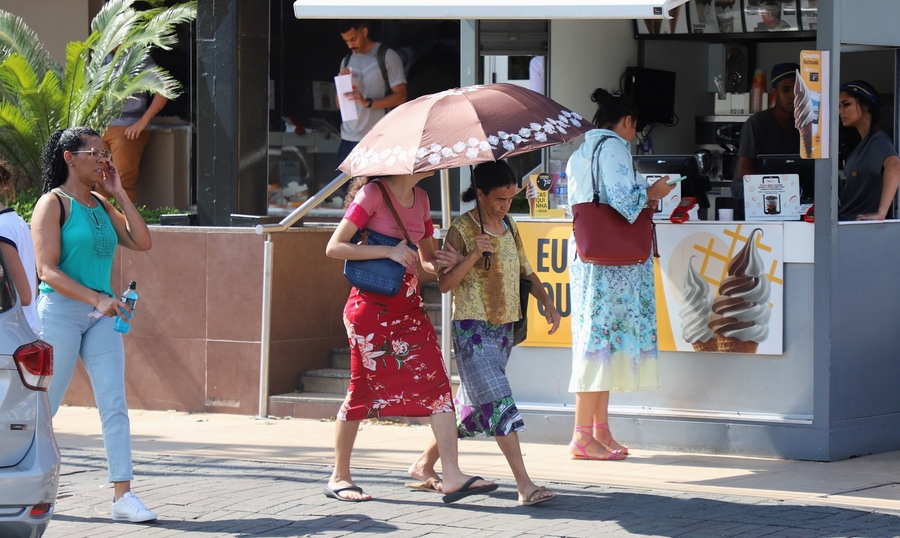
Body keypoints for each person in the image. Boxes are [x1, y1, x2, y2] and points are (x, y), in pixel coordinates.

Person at [324, 171, 496, 503]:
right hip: (370, 309)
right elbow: (334, 246)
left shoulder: (422, 199)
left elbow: (427, 259)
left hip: (409, 308)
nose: (431, 160)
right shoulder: (374, 193)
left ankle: (452, 475)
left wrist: (446, 260)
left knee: (438, 384)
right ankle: (339, 476)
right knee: (362, 389)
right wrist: (386, 253)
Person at [408, 160, 561, 506]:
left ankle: (423, 465)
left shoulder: (510, 224)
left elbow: (526, 271)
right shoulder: (461, 230)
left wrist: (547, 302)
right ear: (479, 194)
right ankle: (525, 485)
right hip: (472, 332)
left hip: (505, 329)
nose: (505, 205)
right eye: (498, 199)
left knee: (474, 408)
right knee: (498, 401)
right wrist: (475, 252)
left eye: (510, 198)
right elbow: (444, 283)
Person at [31, 127, 154, 522]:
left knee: (114, 405)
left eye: (106, 152)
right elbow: (46, 271)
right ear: (69, 157)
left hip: (102, 317)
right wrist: (97, 298)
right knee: (43, 407)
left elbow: (142, 241)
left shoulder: (102, 203)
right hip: (62, 314)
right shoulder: (52, 204)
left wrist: (118, 192)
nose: (104, 159)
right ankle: (21, 485)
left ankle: (123, 497)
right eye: (95, 153)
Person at [566, 88, 675, 461]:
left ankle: (600, 430)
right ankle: (583, 435)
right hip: (612, 265)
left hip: (591, 256)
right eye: (636, 125)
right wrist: (653, 191)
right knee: (598, 344)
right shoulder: (613, 149)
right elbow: (626, 203)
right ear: (627, 121)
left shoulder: (584, 150)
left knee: (599, 342)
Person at [98, 53, 168, 203]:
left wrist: (143, 121)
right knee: (100, 182)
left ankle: (128, 225)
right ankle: (101, 224)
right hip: (102, 127)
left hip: (127, 128)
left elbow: (165, 87)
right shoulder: (103, 54)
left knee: (122, 182)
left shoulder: (139, 56)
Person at [335, 21, 408, 166]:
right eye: (346, 41)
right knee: (348, 188)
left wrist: (367, 102)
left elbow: (401, 97)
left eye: (353, 39)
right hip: (349, 137)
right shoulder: (347, 60)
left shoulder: (387, 56)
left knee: (376, 187)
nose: (350, 45)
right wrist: (342, 85)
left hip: (377, 138)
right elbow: (339, 105)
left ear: (365, 32)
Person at [734, 63, 801, 207]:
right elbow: (743, 171)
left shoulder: (805, 124)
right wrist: (780, 187)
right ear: (774, 92)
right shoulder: (756, 123)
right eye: (786, 90)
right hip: (754, 201)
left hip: (792, 199)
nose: (792, 95)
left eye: (797, 90)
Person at [838, 80, 900, 221]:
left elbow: (895, 166)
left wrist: (881, 213)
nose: (840, 111)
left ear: (866, 105)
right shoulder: (864, 142)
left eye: (846, 104)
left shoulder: (877, 140)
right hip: (847, 223)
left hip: (861, 228)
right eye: (839, 106)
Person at [0, 165, 38, 335]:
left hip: (14, 336)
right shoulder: (15, 221)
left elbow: (23, 296)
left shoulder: (2, 229)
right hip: (25, 332)